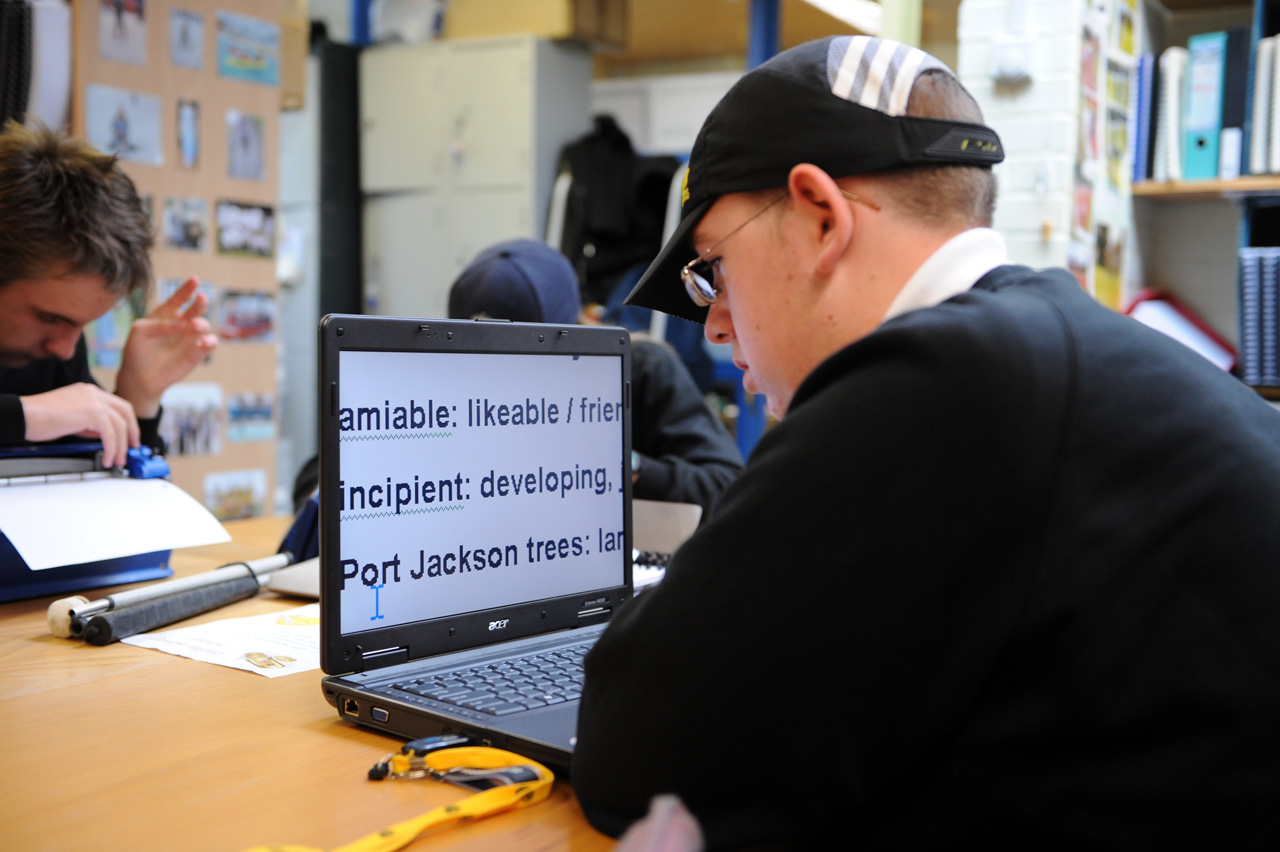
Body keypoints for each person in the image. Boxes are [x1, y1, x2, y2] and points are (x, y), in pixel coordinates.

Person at [572, 36, 1280, 848]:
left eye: (713, 270)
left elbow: (639, 748)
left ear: (821, 217)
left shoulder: (940, 378)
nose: (719, 325)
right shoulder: (1053, 342)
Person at [448, 238, 744, 516]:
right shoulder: (453, 396)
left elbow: (727, 488)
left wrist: (621, 464)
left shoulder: (641, 368)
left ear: (573, 336)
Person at [0, 121, 217, 468]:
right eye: (49, 318)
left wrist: (137, 397)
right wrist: (25, 415)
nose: (65, 349)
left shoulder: (55, 350)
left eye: (82, 326)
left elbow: (98, 483)